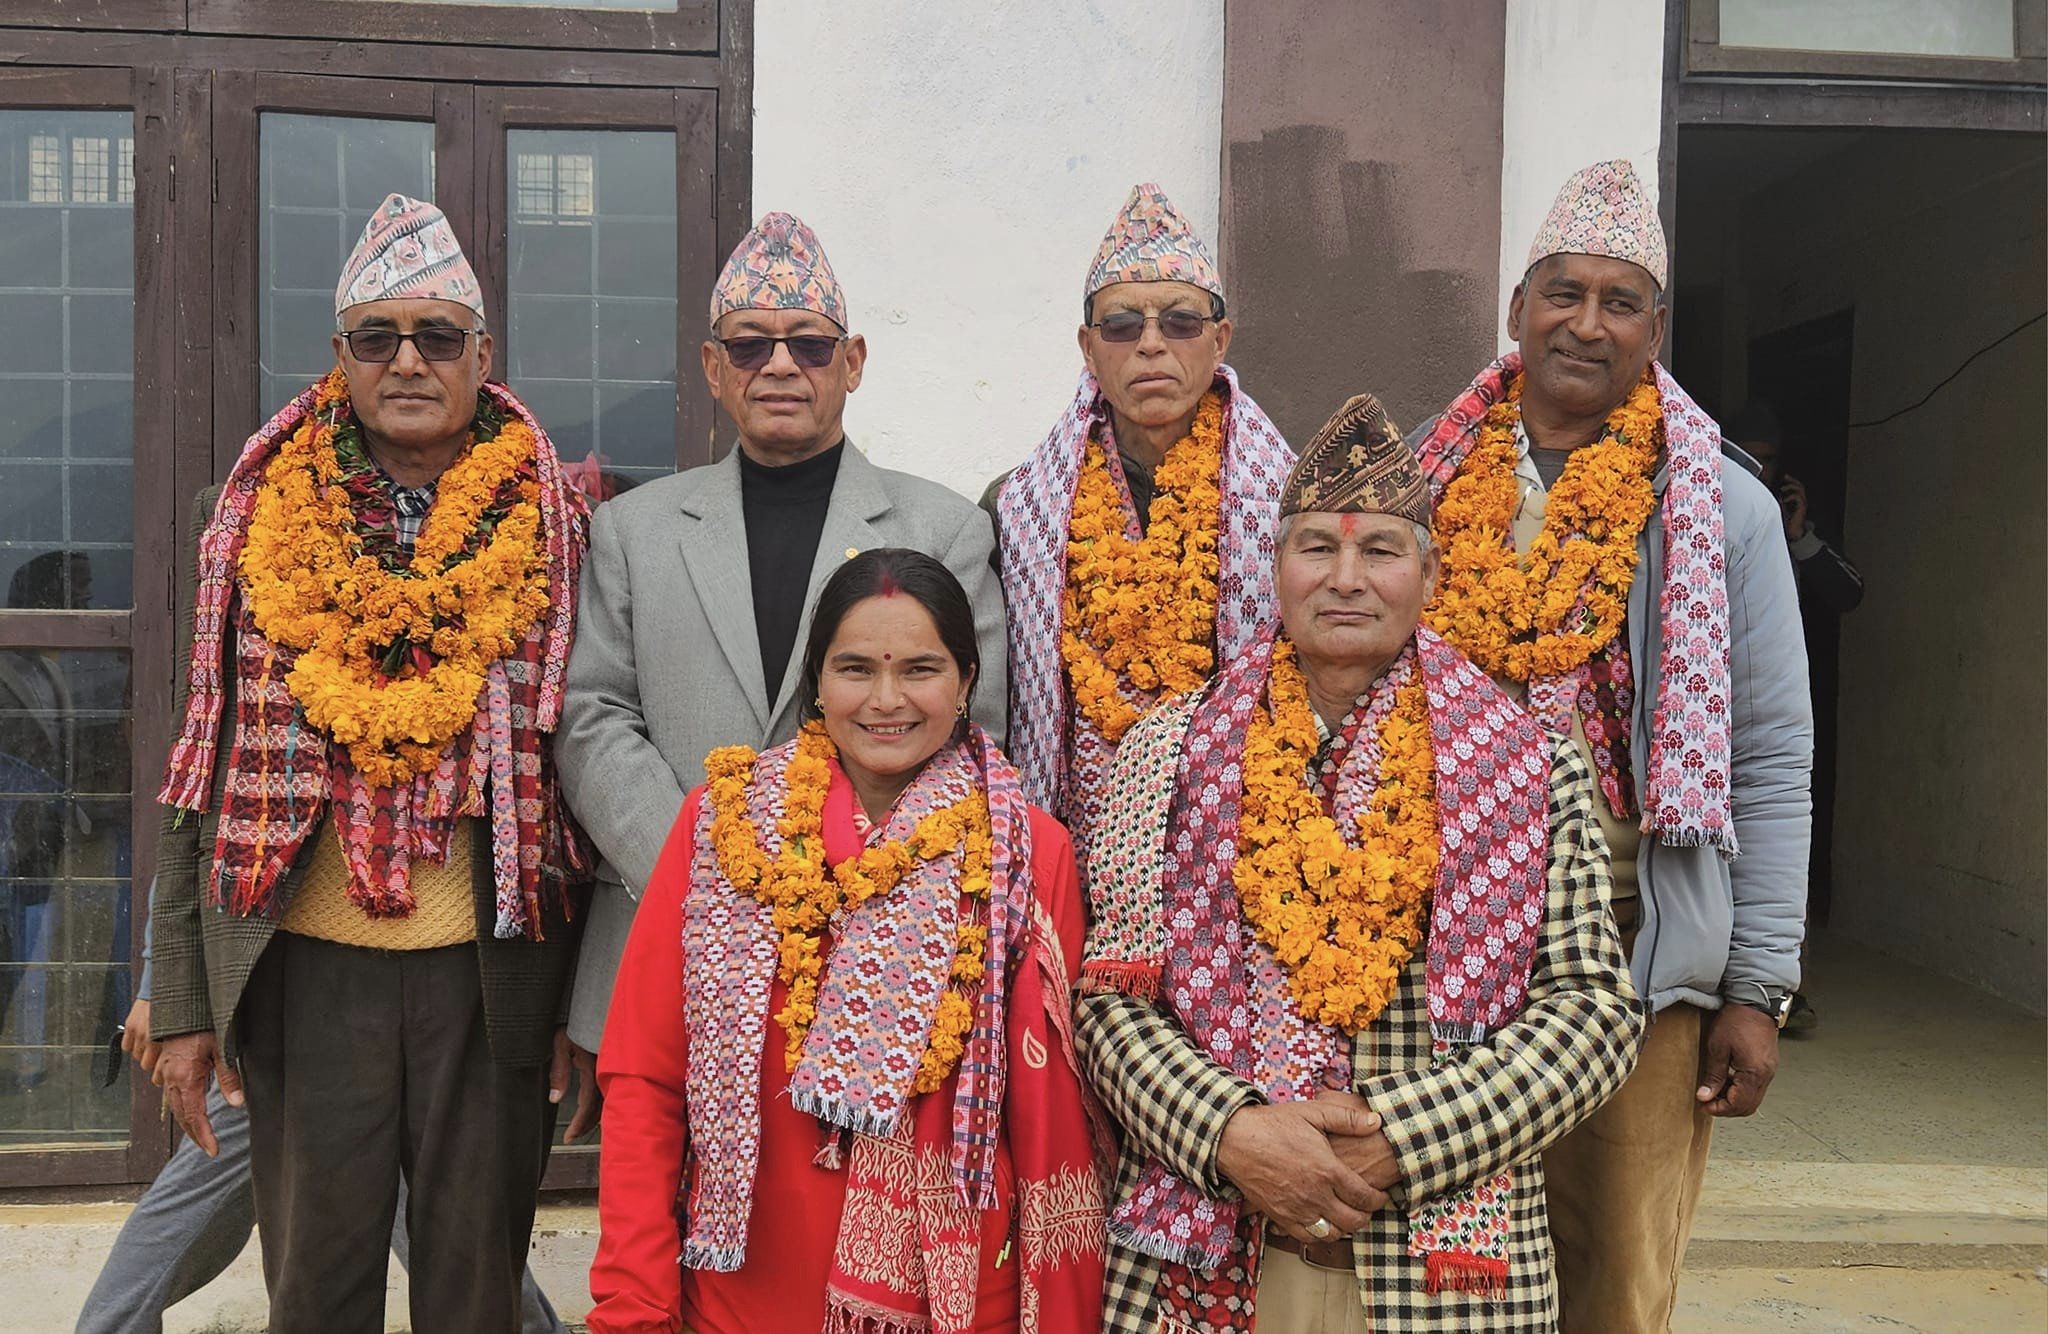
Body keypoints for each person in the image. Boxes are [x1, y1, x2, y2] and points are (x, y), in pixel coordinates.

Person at [1075, 393, 1646, 1332]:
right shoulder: (1167, 751)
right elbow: (1110, 1004)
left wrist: (1402, 1138)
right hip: (1212, 1251)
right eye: (1317, 548)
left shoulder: (1527, 762)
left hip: (1443, 1273)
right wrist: (1231, 1132)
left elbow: (1593, 1013)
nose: (1346, 579)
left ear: (1429, 572)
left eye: (1380, 550)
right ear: (1275, 570)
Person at [147, 194, 591, 1333]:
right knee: (315, 1291)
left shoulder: (558, 523)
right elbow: (199, 765)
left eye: (437, 335)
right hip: (305, 971)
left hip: (491, 978)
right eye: (376, 336)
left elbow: (581, 766)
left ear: (482, 356)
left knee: (475, 1295)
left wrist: (585, 1004)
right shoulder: (246, 514)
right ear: (337, 356)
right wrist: (181, 998)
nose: (408, 361)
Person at [1409, 160, 1814, 1331]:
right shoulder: (1419, 482)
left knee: (1616, 1275)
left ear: (1654, 328)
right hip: (1437, 930)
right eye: (1562, 292)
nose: (1585, 323)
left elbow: (1768, 756)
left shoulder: (1721, 507)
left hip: (1639, 942)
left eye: (1618, 300)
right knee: (1444, 1266)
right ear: (1515, 308)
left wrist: (1756, 988)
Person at [588, 548, 1106, 1334]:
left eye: (921, 669)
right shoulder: (725, 829)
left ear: (966, 681)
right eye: (856, 668)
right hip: (743, 1296)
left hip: (961, 1302)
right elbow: (646, 1080)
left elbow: (1049, 1110)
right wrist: (634, 1305)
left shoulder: (1029, 852)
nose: (886, 700)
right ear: (818, 681)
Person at [556, 213, 1008, 1091]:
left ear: (853, 362)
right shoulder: (634, 531)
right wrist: (705, 871)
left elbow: (970, 731)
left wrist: (843, 880)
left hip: (877, 955)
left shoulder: (943, 529)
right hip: (665, 942)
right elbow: (591, 717)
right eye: (750, 345)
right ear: (712, 366)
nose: (779, 365)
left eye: (808, 344)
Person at [77, 880, 566, 1334]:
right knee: (232, 1192)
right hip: (291, 998)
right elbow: (192, 835)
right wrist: (162, 987)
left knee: (447, 1221)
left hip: (418, 983)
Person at [984, 183, 1292, 876]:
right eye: (1122, 326)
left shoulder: (1290, 502)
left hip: (1236, 842)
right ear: (1088, 349)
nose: (1151, 344)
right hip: (1068, 848)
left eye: (1180, 322)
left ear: (1221, 340)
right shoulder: (1019, 505)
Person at [1727, 400, 1863, 1033]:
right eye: (1747, 455)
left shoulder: (1784, 519)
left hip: (1790, 701)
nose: (1758, 469)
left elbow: (1848, 592)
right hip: (1711, 707)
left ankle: (1780, 987)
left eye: (1769, 459)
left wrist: (1799, 535)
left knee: (1780, 833)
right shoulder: (1701, 503)